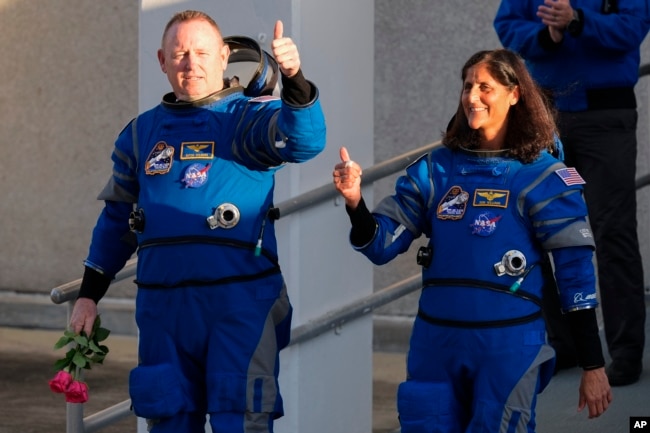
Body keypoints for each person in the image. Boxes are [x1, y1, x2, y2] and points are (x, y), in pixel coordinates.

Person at [68, 10, 326, 433]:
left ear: (224, 56)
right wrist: (87, 294)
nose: (191, 62)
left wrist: (295, 78)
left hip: (238, 305)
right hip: (163, 311)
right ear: (162, 61)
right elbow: (117, 219)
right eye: (180, 53)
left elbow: (304, 141)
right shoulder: (141, 134)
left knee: (240, 419)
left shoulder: (247, 118)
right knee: (167, 419)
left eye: (202, 51)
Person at [333, 49, 611, 431]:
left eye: (485, 87)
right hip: (436, 343)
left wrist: (592, 365)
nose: (472, 97)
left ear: (515, 94)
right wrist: (354, 203)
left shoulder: (546, 175)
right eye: (467, 86)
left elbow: (576, 278)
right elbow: (381, 244)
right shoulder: (437, 169)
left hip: (507, 345)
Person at [494, 0, 648, 386]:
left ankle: (626, 351)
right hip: (545, 118)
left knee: (613, 232)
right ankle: (562, 344)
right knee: (534, 230)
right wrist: (548, 35)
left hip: (605, 118)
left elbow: (632, 28)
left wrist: (578, 21)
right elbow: (508, 24)